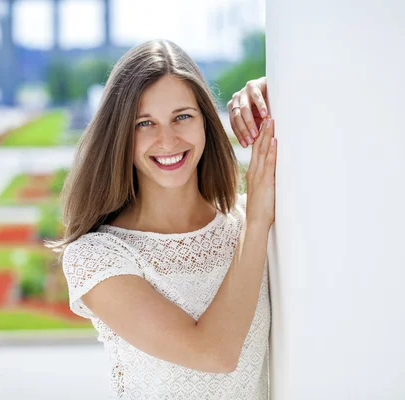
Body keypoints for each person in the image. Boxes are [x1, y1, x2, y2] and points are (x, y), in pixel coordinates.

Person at [48, 40, 276, 399]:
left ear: (206, 121)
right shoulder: (97, 258)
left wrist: (274, 90)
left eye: (182, 116)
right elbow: (215, 353)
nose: (167, 140)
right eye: (144, 123)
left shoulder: (252, 219)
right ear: (120, 134)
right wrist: (258, 220)